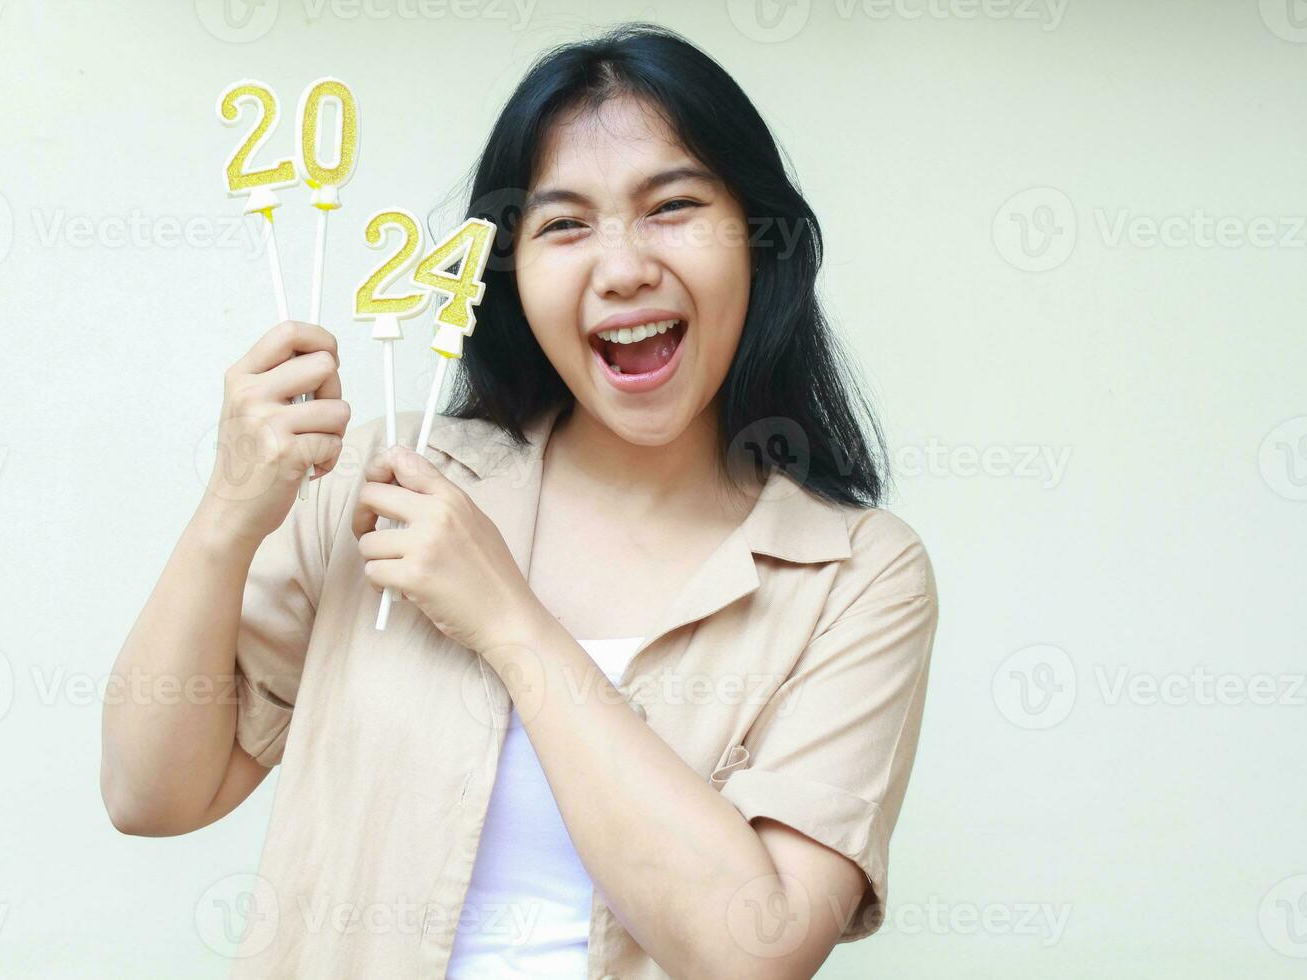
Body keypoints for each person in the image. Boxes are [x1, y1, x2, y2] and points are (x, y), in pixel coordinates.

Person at [101, 23, 939, 979]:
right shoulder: (388, 480)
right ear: (508, 274)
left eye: (671, 206)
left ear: (759, 239)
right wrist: (229, 512)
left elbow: (754, 953)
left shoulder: (859, 576)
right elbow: (149, 795)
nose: (621, 268)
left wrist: (507, 619)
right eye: (564, 224)